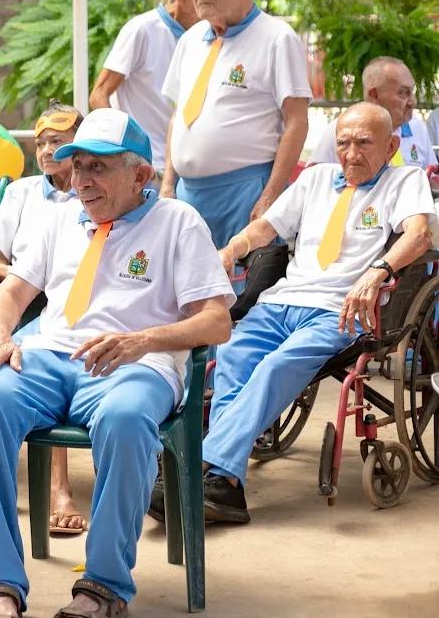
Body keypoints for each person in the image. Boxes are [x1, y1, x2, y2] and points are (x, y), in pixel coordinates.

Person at [0, 109, 233, 618]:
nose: (82, 180)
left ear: (140, 176)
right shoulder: (60, 216)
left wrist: (142, 340)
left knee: (127, 418)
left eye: (98, 169)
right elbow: (11, 295)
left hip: (135, 365)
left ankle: (105, 585)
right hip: (51, 356)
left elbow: (216, 321)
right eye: (78, 166)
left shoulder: (179, 222)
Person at [165, 103, 434, 525]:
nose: (351, 153)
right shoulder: (314, 178)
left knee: (275, 367)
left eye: (364, 143)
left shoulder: (404, 180)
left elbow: (418, 236)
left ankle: (202, 467)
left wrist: (378, 271)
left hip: (340, 309)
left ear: (390, 146)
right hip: (282, 301)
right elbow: (266, 228)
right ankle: (226, 483)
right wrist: (231, 249)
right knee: (232, 355)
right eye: (343, 142)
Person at [160, 0, 311, 250]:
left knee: (239, 292)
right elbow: (179, 115)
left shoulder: (277, 37)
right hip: (187, 195)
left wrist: (270, 196)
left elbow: (297, 122)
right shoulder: (189, 40)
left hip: (245, 193)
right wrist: (167, 185)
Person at [0, 102, 88, 536]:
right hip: (25, 301)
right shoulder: (21, 193)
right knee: (24, 368)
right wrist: (31, 279)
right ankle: (57, 488)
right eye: (41, 143)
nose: (47, 151)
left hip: (80, 304)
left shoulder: (98, 193)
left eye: (58, 142)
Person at [89, 0, 197, 174]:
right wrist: (124, 149)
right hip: (146, 167)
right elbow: (98, 95)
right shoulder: (142, 29)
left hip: (186, 167)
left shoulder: (205, 35)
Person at [308, 57, 436, 172]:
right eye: (403, 93)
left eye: (412, 92)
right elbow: (313, 177)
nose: (413, 102)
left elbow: (432, 178)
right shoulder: (342, 129)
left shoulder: (417, 128)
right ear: (374, 95)